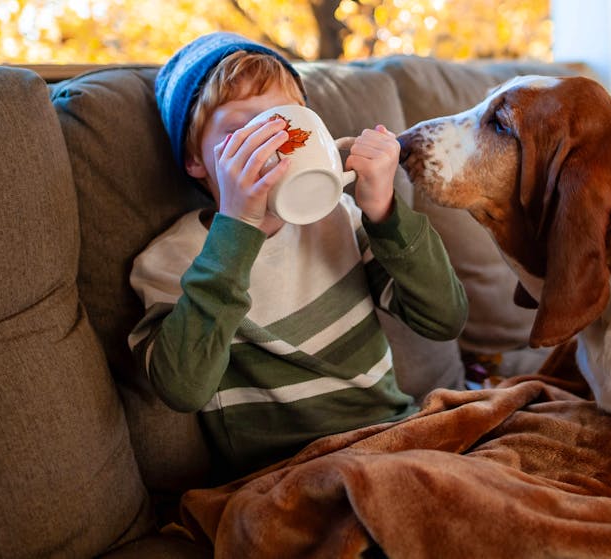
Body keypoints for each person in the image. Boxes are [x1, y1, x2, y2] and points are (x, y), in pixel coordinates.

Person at [128, 32, 468, 481]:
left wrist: (384, 211)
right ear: (195, 159)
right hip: (286, 475)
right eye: (242, 131)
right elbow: (182, 388)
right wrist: (238, 229)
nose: (270, 146)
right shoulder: (170, 261)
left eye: (283, 124)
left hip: (392, 437)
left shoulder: (340, 218)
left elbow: (445, 319)